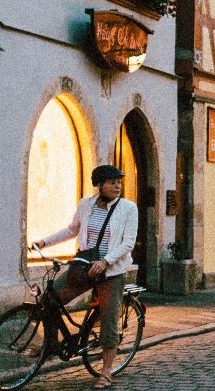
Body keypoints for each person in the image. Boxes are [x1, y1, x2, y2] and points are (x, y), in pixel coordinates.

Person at [35, 165, 138, 389]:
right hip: (84, 267)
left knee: (109, 321)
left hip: (111, 272)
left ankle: (106, 371)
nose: (117, 186)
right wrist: (44, 242)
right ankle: (51, 345)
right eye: (112, 182)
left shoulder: (128, 209)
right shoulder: (86, 204)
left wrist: (105, 261)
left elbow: (128, 242)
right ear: (99, 185)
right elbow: (72, 229)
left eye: (119, 181)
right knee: (49, 299)